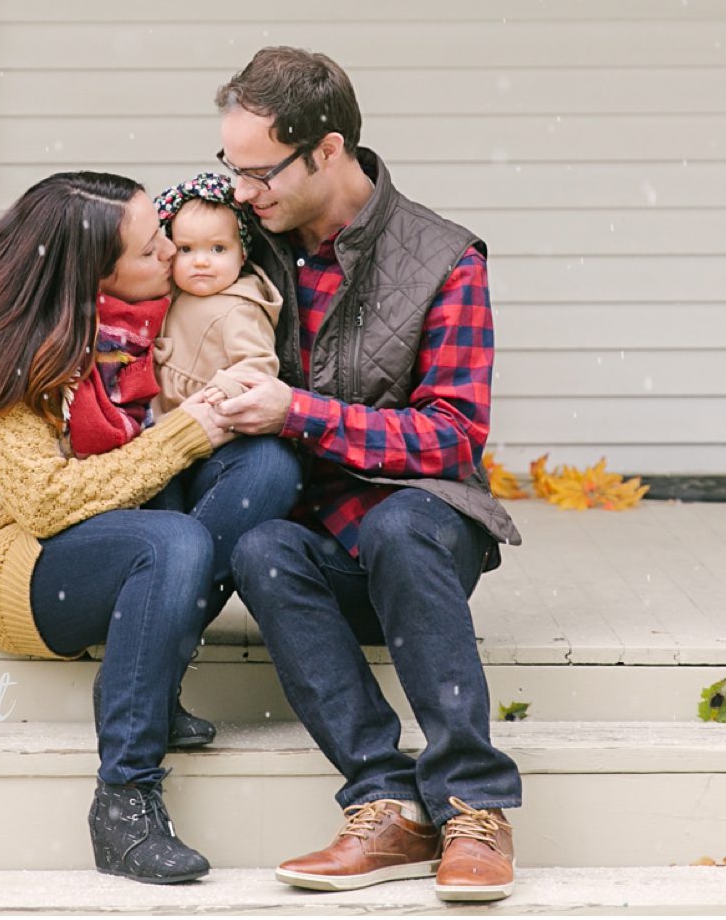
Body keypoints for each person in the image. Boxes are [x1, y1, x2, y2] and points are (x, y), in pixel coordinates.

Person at [0, 170, 296, 885]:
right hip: (10, 559)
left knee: (268, 467)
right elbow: (48, 504)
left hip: (117, 524)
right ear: (97, 274)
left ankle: (146, 669)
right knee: (174, 540)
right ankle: (123, 803)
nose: (173, 256)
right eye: (153, 249)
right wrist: (187, 432)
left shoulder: (137, 326)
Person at [210, 48, 525, 903]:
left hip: (422, 526)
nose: (241, 192)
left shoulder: (444, 258)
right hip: (315, 537)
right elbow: (125, 250)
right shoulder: (242, 238)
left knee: (399, 525)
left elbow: (453, 434)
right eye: (227, 168)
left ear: (328, 149)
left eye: (257, 171)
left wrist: (296, 412)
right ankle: (385, 801)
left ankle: (473, 803)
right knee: (262, 545)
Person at [151, 172, 283, 420]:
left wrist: (225, 389)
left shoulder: (239, 308)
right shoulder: (173, 288)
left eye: (218, 249)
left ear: (242, 254)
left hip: (209, 414)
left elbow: (258, 363)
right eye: (186, 249)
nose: (201, 261)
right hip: (161, 410)